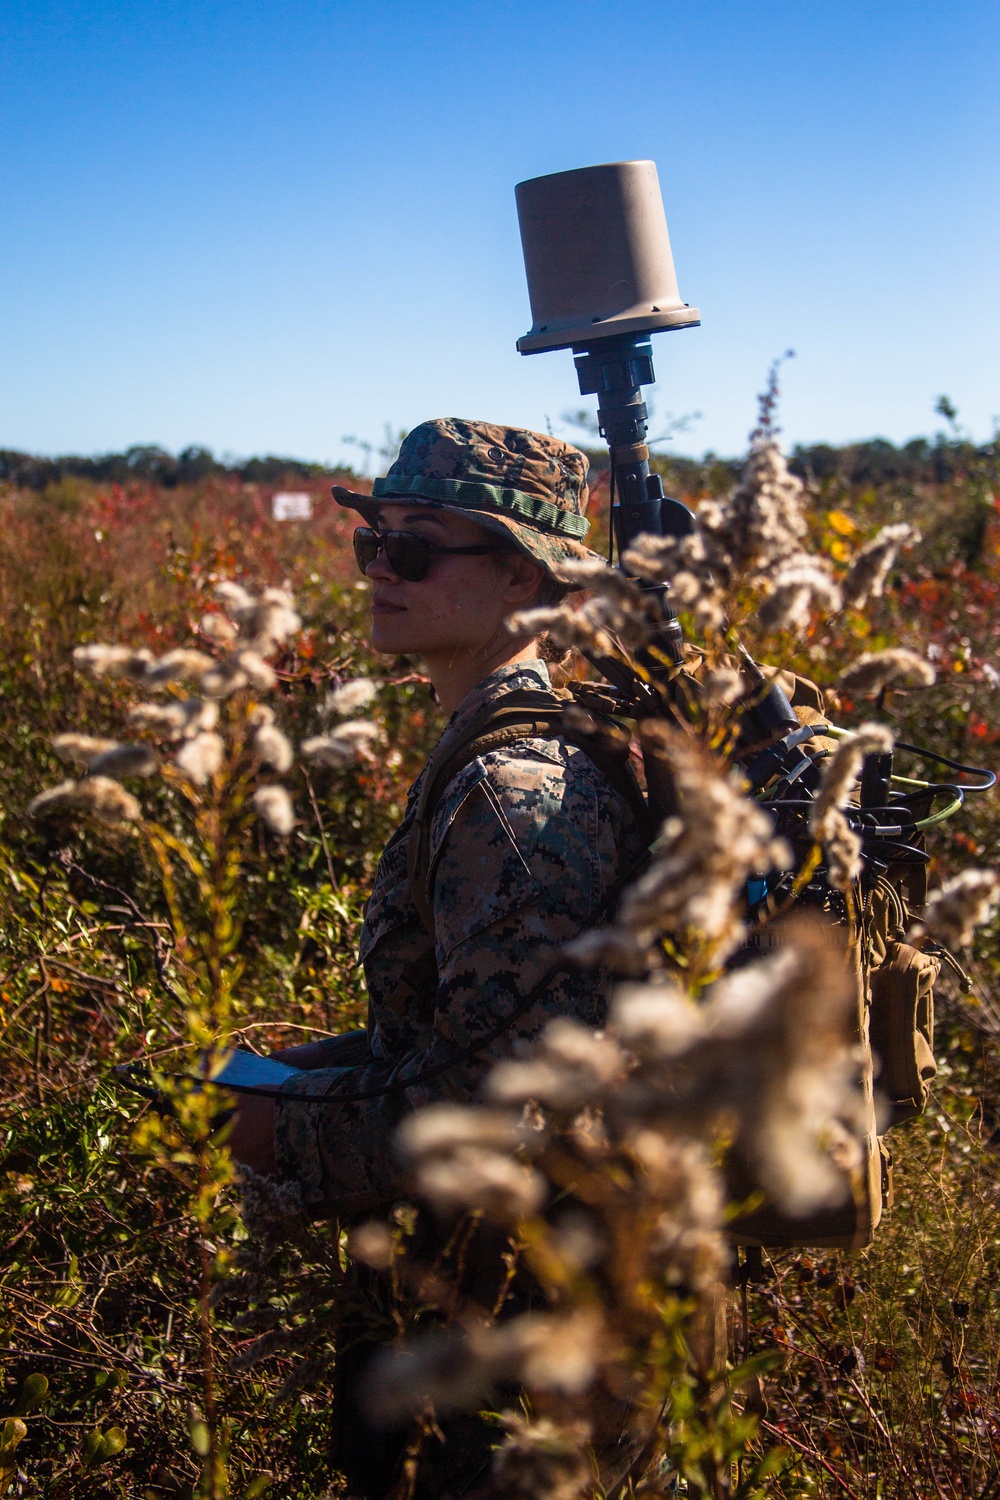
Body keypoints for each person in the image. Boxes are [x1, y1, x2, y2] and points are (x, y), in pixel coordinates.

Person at [228, 418, 647, 1496]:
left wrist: (289, 1128)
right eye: (373, 542)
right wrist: (329, 1066)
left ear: (521, 583)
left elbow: (511, 1103)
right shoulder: (488, 752)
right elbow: (475, 1031)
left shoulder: (514, 797)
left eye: (415, 549)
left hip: (518, 1335)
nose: (379, 571)